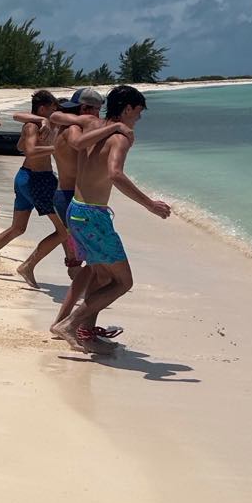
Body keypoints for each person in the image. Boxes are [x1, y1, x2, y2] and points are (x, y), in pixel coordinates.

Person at [51, 85, 172, 351]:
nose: (139, 118)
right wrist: (150, 204)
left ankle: (86, 334)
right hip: (93, 215)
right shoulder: (121, 138)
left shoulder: (90, 122)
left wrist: (110, 126)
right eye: (138, 112)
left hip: (76, 210)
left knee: (102, 276)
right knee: (123, 282)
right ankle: (69, 324)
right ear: (127, 109)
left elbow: (55, 116)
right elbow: (115, 174)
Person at [0, 90, 66, 286]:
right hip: (37, 180)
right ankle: (29, 266)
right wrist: (56, 148)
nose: (55, 112)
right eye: (52, 108)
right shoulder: (33, 125)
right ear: (43, 109)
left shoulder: (39, 125)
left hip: (25, 177)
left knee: (18, 228)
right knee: (64, 230)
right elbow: (30, 151)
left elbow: (20, 147)